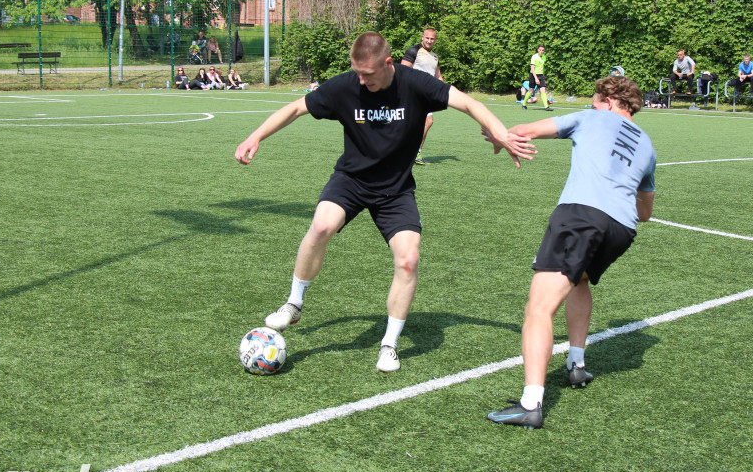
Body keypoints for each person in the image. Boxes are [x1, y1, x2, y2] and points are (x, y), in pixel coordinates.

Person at [234, 32, 535, 372]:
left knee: (408, 260)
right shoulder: (347, 86)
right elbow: (295, 108)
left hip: (395, 190)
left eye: (368, 75)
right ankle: (294, 303)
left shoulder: (415, 84)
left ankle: (389, 344)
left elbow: (469, 103)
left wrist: (501, 132)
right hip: (351, 181)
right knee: (321, 225)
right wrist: (255, 136)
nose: (361, 81)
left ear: (388, 63)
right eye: (357, 73)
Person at [486, 74, 656, 429]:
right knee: (579, 281)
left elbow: (525, 130)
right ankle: (576, 364)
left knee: (539, 308)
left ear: (609, 101)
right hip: (621, 229)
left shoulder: (590, 117)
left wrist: (501, 137)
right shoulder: (647, 145)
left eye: (594, 99)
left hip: (581, 216)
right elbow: (645, 213)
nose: (590, 105)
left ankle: (530, 403)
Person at [401, 27, 445, 165]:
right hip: (413, 93)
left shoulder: (435, 56)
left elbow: (438, 76)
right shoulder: (414, 51)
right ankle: (406, 151)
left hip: (426, 95)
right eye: (427, 38)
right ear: (422, 37)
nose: (429, 41)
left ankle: (415, 152)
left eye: (432, 39)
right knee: (411, 123)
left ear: (435, 40)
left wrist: (445, 90)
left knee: (427, 121)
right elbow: (402, 70)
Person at [523, 45, 552, 111]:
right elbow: (532, 68)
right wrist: (536, 78)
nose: (541, 51)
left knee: (543, 90)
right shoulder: (534, 57)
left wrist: (543, 76)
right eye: (540, 50)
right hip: (533, 75)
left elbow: (543, 67)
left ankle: (546, 107)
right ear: (538, 50)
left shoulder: (544, 57)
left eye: (543, 50)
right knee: (531, 91)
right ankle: (524, 104)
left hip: (541, 75)